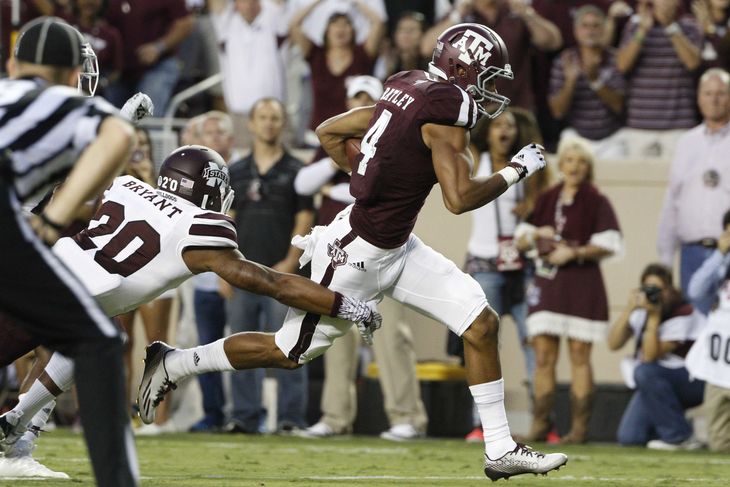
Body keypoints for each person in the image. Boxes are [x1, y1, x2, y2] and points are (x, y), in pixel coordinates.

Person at [139, 23, 568, 480]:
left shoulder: (407, 88)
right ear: (461, 68)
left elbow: (328, 131)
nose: (489, 91)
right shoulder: (446, 112)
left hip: (399, 248)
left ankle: (499, 448)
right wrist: (515, 171)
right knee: (287, 351)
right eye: (486, 77)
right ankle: (175, 363)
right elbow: (458, 199)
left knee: (480, 323)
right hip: (354, 252)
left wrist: (366, 172)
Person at [0, 145, 381, 469]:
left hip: (46, 274)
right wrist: (344, 304)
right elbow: (272, 283)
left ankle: (16, 423)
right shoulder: (198, 226)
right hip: (52, 295)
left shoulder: (125, 186)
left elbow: (65, 197)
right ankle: (16, 425)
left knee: (98, 334)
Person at [0, 17, 138, 487]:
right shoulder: (61, 101)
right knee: (99, 339)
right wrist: (54, 220)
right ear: (69, 74)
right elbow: (120, 137)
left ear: (12, 63)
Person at [294, 76, 428, 441]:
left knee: (392, 336)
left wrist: (338, 184)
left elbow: (381, 184)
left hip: (381, 249)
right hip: (340, 253)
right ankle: (335, 416)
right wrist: (343, 162)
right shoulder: (336, 140)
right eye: (357, 99)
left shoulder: (398, 143)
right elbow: (302, 183)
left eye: (368, 99)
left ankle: (407, 416)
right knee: (334, 336)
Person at [516, 138, 623, 444]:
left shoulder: (596, 199)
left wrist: (573, 254)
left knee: (579, 355)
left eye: (581, 161)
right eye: (570, 160)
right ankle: (539, 425)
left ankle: (578, 429)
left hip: (583, 282)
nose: (575, 166)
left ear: (588, 168)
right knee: (544, 355)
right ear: (560, 165)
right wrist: (539, 233)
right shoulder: (547, 197)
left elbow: (609, 243)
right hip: (549, 282)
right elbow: (522, 237)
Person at [224, 98, 314, 434]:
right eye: (262, 117)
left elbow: (304, 218)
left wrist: (290, 263)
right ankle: (244, 417)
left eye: (275, 118)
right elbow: (225, 223)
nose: (269, 124)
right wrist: (225, 269)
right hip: (241, 273)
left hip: (283, 277)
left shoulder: (298, 171)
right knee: (241, 347)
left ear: (282, 124)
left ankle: (291, 419)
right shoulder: (235, 171)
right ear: (250, 123)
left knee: (291, 346)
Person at [608, 263, 705, 450]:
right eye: (647, 289)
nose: (653, 294)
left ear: (669, 289)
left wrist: (653, 318)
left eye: (658, 289)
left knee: (644, 371)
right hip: (657, 382)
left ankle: (679, 437)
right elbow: (613, 343)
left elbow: (651, 356)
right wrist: (629, 309)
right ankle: (674, 427)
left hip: (692, 381)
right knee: (630, 438)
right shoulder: (640, 312)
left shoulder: (685, 312)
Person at [657, 68, 730, 314]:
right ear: (699, 98)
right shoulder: (686, 142)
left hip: (728, 250)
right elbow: (672, 202)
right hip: (691, 253)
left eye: (721, 93)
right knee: (693, 327)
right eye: (708, 93)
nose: (714, 99)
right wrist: (666, 257)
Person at [185, 111, 237, 433]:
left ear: (231, 140)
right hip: (201, 279)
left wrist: (226, 274)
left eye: (221, 133)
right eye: (209, 133)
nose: (215, 138)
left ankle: (247, 413)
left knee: (247, 344)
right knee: (206, 348)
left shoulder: (242, 172)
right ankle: (213, 413)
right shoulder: (191, 177)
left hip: (235, 274)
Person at [422, 0, 562, 112]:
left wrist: (527, 14)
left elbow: (553, 42)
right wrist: (456, 16)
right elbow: (427, 48)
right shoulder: (462, 14)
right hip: (471, 108)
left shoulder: (514, 10)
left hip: (516, 107)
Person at [614, 0, 702, 158]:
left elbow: (692, 62)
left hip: (679, 126)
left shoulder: (689, 26)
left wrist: (670, 26)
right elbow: (622, 65)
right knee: (638, 181)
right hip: (640, 125)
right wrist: (642, 30)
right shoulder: (635, 26)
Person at [290, 0, 385, 134]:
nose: (341, 28)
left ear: (353, 31)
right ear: (327, 31)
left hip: (353, 133)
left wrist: (356, 2)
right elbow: (294, 25)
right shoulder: (316, 54)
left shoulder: (362, 54)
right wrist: (317, 2)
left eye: (346, 24)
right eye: (335, 24)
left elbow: (378, 23)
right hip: (317, 132)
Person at [548, 5, 626, 159]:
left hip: (612, 138)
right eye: (585, 26)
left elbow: (619, 106)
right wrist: (570, 82)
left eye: (596, 26)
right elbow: (557, 112)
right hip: (576, 135)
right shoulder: (565, 60)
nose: (590, 30)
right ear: (576, 31)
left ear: (604, 29)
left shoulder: (616, 59)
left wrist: (595, 80)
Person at [209, 0, 288, 149]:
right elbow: (217, 4)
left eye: (253, 2)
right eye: (243, 2)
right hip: (240, 115)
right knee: (242, 163)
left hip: (272, 114)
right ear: (236, 4)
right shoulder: (226, 23)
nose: (249, 5)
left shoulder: (273, 18)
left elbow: (278, 4)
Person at [685, 209, 730, 452]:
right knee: (719, 442)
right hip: (719, 367)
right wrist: (720, 254)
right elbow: (696, 290)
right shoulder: (722, 264)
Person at [104, 0, 194, 114]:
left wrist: (159, 47)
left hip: (158, 65)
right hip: (119, 69)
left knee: (145, 117)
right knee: (111, 119)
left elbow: (185, 23)